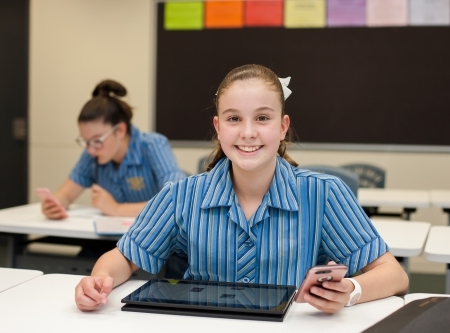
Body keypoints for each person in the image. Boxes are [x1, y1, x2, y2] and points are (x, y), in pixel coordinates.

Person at [75, 64, 408, 313]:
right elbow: (124, 258)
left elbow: (393, 274)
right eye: (234, 119)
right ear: (219, 128)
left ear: (282, 126)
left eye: (262, 118)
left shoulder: (324, 194)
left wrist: (350, 290)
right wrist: (99, 279)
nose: (248, 132)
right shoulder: (181, 195)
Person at [40, 79, 186, 219]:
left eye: (97, 140)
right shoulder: (93, 152)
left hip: (153, 240)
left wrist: (116, 209)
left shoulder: (153, 145)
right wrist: (54, 205)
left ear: (120, 130)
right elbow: (66, 194)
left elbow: (176, 200)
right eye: (85, 141)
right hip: (107, 237)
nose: (90, 149)